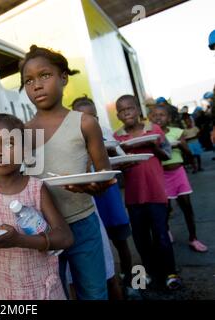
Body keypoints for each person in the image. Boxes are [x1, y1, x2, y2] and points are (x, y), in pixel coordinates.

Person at [21, 45, 115, 300]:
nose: (37, 85)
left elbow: (105, 172)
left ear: (63, 77)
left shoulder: (84, 122)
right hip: (42, 228)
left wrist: (96, 185)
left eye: (44, 76)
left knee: (94, 292)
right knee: (53, 292)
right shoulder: (22, 133)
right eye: (29, 81)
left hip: (83, 221)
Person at [0, 114, 74, 300]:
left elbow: (65, 237)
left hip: (44, 290)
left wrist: (19, 240)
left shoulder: (36, 188)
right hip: (5, 293)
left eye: (8, 144)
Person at [71, 96, 137, 299]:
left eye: (91, 117)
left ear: (97, 119)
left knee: (122, 243)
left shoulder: (106, 135)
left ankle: (133, 283)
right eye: (80, 118)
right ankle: (111, 285)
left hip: (110, 200)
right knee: (100, 251)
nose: (87, 122)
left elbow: (119, 158)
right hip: (88, 204)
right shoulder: (72, 141)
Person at [113, 95, 181, 290]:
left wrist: (154, 146)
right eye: (122, 110)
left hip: (156, 194)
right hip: (134, 198)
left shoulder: (154, 130)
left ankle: (170, 273)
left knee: (161, 236)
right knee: (141, 239)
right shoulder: (118, 138)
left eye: (130, 108)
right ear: (118, 115)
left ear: (138, 110)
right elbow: (118, 168)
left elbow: (167, 154)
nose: (126, 112)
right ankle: (149, 272)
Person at [149, 105, 208, 253]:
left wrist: (182, 146)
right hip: (162, 175)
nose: (158, 117)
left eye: (162, 115)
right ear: (150, 118)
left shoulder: (177, 132)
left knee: (187, 207)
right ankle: (166, 231)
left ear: (169, 118)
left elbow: (189, 155)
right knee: (166, 208)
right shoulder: (151, 135)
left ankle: (193, 238)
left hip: (178, 173)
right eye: (155, 115)